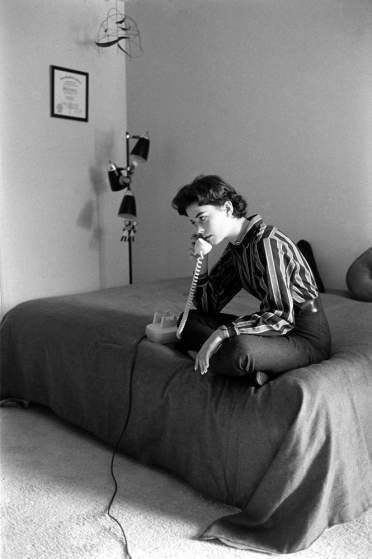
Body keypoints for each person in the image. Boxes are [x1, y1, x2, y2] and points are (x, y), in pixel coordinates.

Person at [171, 174, 331, 386]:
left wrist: (221, 334)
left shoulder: (267, 243)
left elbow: (280, 316)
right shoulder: (236, 248)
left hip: (303, 336)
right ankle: (253, 370)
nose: (198, 230)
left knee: (239, 350)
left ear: (227, 208)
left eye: (202, 218)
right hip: (272, 331)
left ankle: (233, 362)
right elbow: (208, 305)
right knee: (187, 322)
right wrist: (203, 259)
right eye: (193, 223)